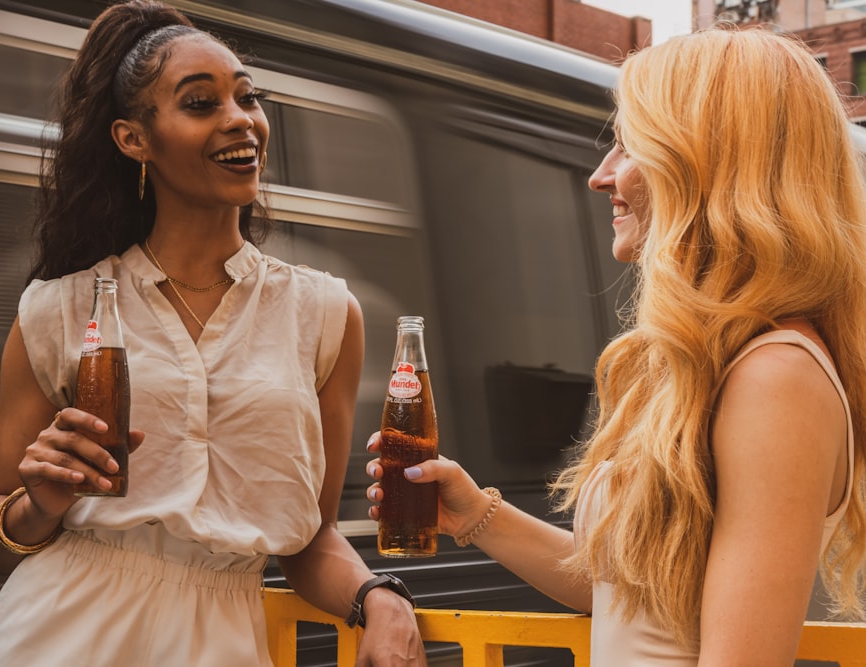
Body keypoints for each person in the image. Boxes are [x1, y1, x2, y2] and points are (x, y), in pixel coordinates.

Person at [367, 27, 866, 665]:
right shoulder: (703, 364)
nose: (601, 177)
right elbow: (629, 592)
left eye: (630, 148)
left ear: (707, 164)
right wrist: (472, 514)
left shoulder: (776, 378)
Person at [0, 1, 425, 665]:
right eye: (200, 102)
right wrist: (38, 504)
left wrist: (381, 597)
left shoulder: (326, 314)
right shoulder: (56, 309)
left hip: (224, 639)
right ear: (134, 139)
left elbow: (311, 537)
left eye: (248, 97)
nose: (240, 119)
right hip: (59, 632)